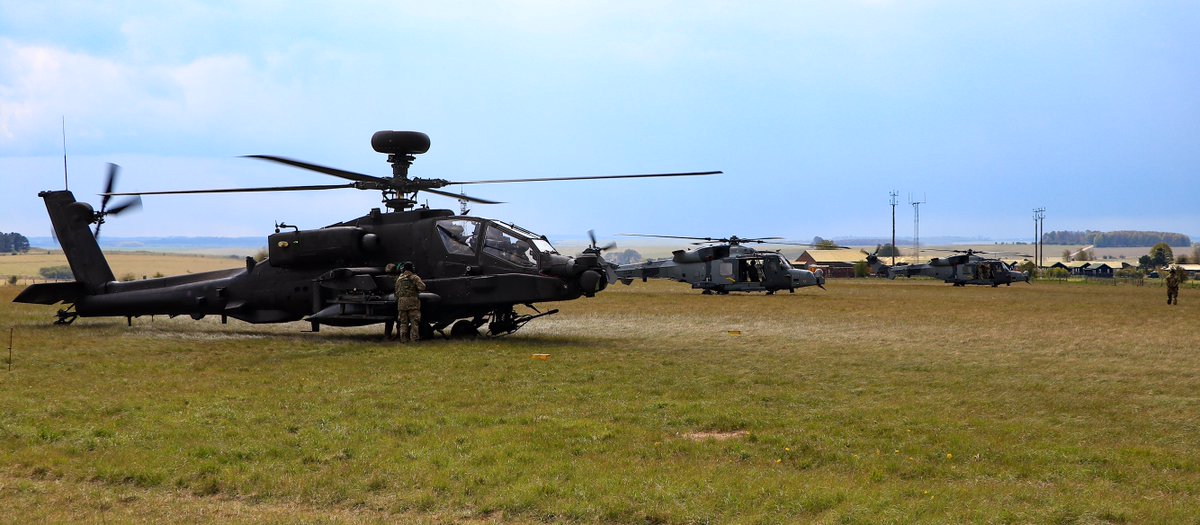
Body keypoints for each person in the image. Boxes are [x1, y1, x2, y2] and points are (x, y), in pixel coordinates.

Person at [393, 261, 427, 342]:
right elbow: (422, 287)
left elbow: (396, 291)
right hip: (413, 303)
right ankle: (414, 339)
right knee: (414, 322)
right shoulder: (415, 277)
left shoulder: (399, 279)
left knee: (403, 323)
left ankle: (403, 339)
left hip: (401, 303)